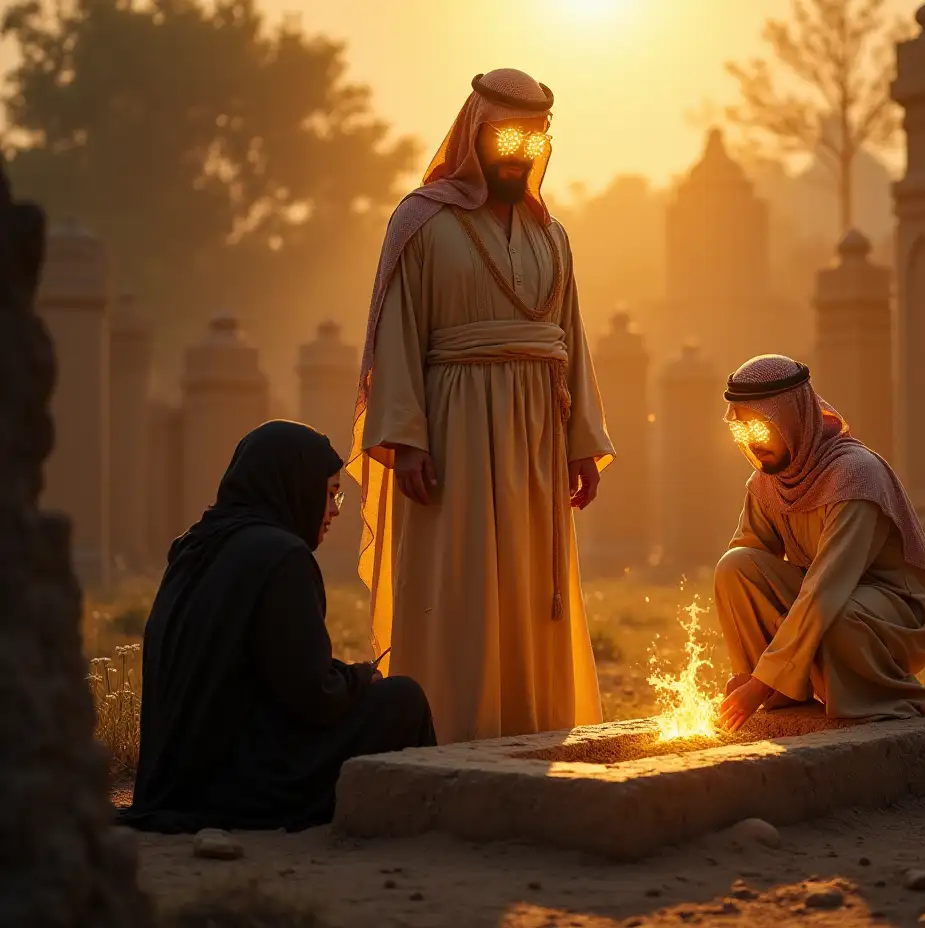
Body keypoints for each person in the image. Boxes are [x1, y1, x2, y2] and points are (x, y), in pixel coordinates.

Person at [350, 68, 614, 745]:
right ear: (474, 132)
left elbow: (571, 343)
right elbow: (398, 334)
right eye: (505, 135)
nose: (517, 151)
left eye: (532, 138)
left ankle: (537, 731)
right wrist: (405, 437)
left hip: (538, 440)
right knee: (459, 587)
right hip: (452, 431)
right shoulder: (420, 222)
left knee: (533, 591)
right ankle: (451, 736)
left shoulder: (553, 237)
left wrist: (582, 441)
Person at [121, 421, 435, 833]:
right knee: (402, 700)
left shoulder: (195, 546)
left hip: (175, 779)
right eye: (330, 493)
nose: (335, 510)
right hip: (239, 786)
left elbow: (266, 667)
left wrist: (344, 677)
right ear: (296, 486)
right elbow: (311, 695)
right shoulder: (281, 556)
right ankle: (431, 818)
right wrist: (361, 678)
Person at [714, 354, 925, 734]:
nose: (754, 444)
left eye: (762, 428)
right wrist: (750, 674)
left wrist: (758, 683)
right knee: (735, 566)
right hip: (829, 599)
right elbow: (750, 568)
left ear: (793, 418)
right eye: (745, 432)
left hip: (894, 613)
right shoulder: (767, 481)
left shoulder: (854, 475)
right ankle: (781, 691)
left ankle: (881, 697)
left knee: (838, 614)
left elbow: (827, 585)